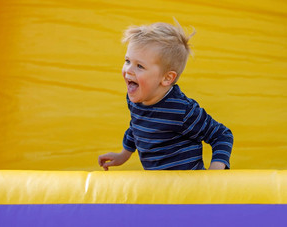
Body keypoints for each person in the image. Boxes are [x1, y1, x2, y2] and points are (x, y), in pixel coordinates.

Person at [98, 19, 233, 171]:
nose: (128, 70)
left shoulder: (182, 110)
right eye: (127, 61)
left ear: (167, 78)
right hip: (161, 190)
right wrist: (123, 155)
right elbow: (136, 127)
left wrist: (215, 170)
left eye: (140, 66)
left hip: (189, 188)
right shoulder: (136, 100)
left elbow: (222, 135)